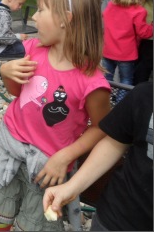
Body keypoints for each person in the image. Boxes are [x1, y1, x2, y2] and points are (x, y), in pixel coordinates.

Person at [0, 0, 111, 232]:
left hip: (47, 169)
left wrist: (65, 156)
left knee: (33, 224)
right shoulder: (31, 50)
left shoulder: (92, 83)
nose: (33, 16)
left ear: (65, 19)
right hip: (9, 152)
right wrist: (7, 73)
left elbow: (101, 127)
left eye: (41, 10)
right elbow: (18, 93)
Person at [43, 81, 153, 232]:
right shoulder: (145, 94)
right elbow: (115, 141)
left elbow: (98, 126)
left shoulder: (97, 85)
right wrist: (72, 186)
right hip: (117, 216)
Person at [101, 0, 153, 104]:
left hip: (108, 49)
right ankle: (120, 104)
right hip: (126, 53)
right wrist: (151, 26)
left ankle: (105, 101)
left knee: (107, 78)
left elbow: (105, 19)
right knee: (126, 80)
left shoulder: (111, 5)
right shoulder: (139, 11)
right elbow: (144, 33)